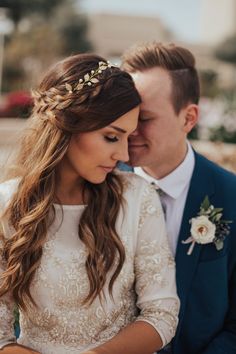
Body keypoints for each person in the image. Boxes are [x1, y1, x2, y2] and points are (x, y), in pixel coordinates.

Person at [0, 53, 179, 354]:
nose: (123, 155)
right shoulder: (7, 204)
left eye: (127, 138)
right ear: (67, 124)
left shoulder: (136, 198)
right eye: (111, 137)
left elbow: (161, 314)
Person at [121, 42, 236, 354]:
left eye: (144, 118)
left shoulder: (231, 195)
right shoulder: (95, 183)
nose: (129, 129)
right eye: (124, 115)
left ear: (189, 118)